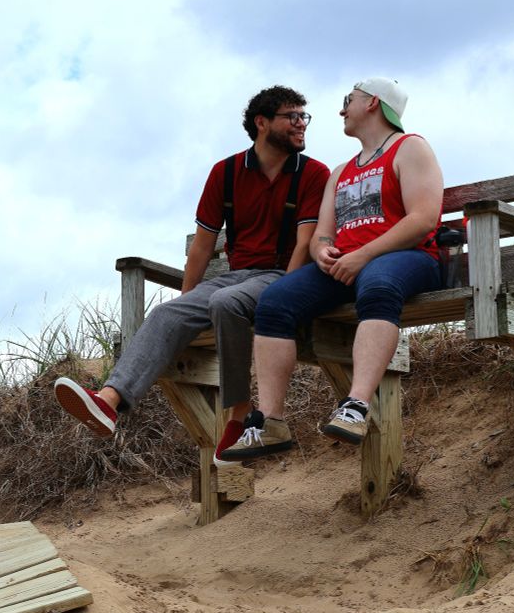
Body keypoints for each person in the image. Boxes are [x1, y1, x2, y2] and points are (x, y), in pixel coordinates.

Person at [54, 86, 330, 457]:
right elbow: (202, 246)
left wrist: (289, 291)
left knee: (225, 302)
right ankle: (108, 402)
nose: (301, 124)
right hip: (237, 275)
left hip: (282, 276)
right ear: (262, 123)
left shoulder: (313, 173)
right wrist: (188, 305)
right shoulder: (227, 172)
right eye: (292, 116)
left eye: (303, 116)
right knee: (168, 312)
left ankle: (239, 413)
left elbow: (303, 244)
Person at [220, 77, 443, 460]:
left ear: (373, 103)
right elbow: (323, 232)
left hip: (408, 258)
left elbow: (423, 219)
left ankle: (356, 405)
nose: (341, 109)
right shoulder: (341, 171)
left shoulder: (411, 149)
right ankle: (271, 420)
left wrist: (364, 254)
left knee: (378, 284)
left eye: (348, 100)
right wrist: (323, 252)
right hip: (346, 265)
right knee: (274, 302)